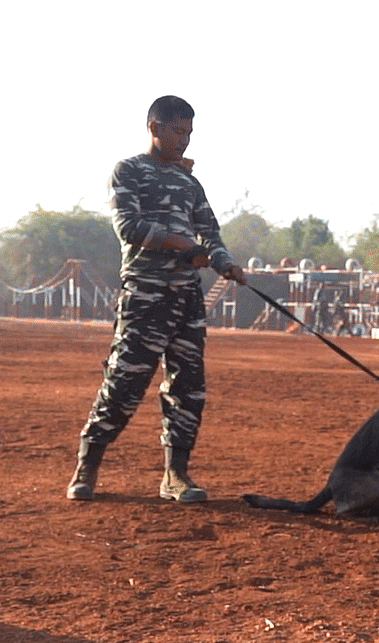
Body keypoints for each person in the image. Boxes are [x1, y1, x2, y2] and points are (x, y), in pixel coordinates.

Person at [67, 95, 246, 502]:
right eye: (177, 132)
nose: (184, 141)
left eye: (189, 133)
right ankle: (87, 465)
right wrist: (183, 247)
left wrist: (224, 263)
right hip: (146, 295)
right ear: (155, 127)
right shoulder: (128, 171)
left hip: (186, 297)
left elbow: (210, 233)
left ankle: (175, 475)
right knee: (124, 381)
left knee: (188, 387)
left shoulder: (189, 183)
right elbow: (129, 226)